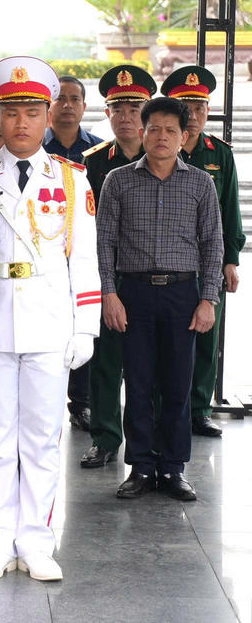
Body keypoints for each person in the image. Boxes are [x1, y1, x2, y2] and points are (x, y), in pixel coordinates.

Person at [0, 56, 99, 583]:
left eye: (32, 112)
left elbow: (86, 257)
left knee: (43, 437)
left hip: (49, 323)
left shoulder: (71, 181)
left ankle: (38, 541)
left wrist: (85, 324)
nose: (21, 123)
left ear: (49, 117)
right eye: (11, 113)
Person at [99, 95, 221, 503]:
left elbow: (213, 246)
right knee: (136, 382)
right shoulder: (118, 180)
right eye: (155, 129)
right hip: (132, 293)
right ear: (142, 131)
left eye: (172, 130)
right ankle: (141, 466)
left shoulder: (200, 182)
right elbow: (105, 244)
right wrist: (109, 294)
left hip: (183, 294)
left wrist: (208, 300)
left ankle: (173, 468)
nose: (162, 137)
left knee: (177, 384)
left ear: (184, 136)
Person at [78, 65, 154, 470]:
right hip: (105, 274)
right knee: (105, 363)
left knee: (149, 367)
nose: (126, 117)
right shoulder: (91, 164)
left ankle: (149, 445)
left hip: (150, 277)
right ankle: (106, 438)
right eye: (117, 109)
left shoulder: (162, 158)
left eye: (134, 108)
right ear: (106, 114)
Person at [168, 65, 244, 438]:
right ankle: (166, 408)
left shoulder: (219, 154)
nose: (194, 116)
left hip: (209, 261)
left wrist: (232, 259)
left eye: (200, 107)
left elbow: (230, 209)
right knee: (167, 337)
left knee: (205, 335)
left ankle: (198, 409)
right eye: (187, 107)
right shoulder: (161, 149)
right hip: (167, 261)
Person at [41, 75, 102, 433]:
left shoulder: (96, 152)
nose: (66, 105)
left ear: (83, 106)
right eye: (59, 98)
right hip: (42, 261)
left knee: (82, 331)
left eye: (74, 98)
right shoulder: (33, 150)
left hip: (78, 256)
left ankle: (81, 403)